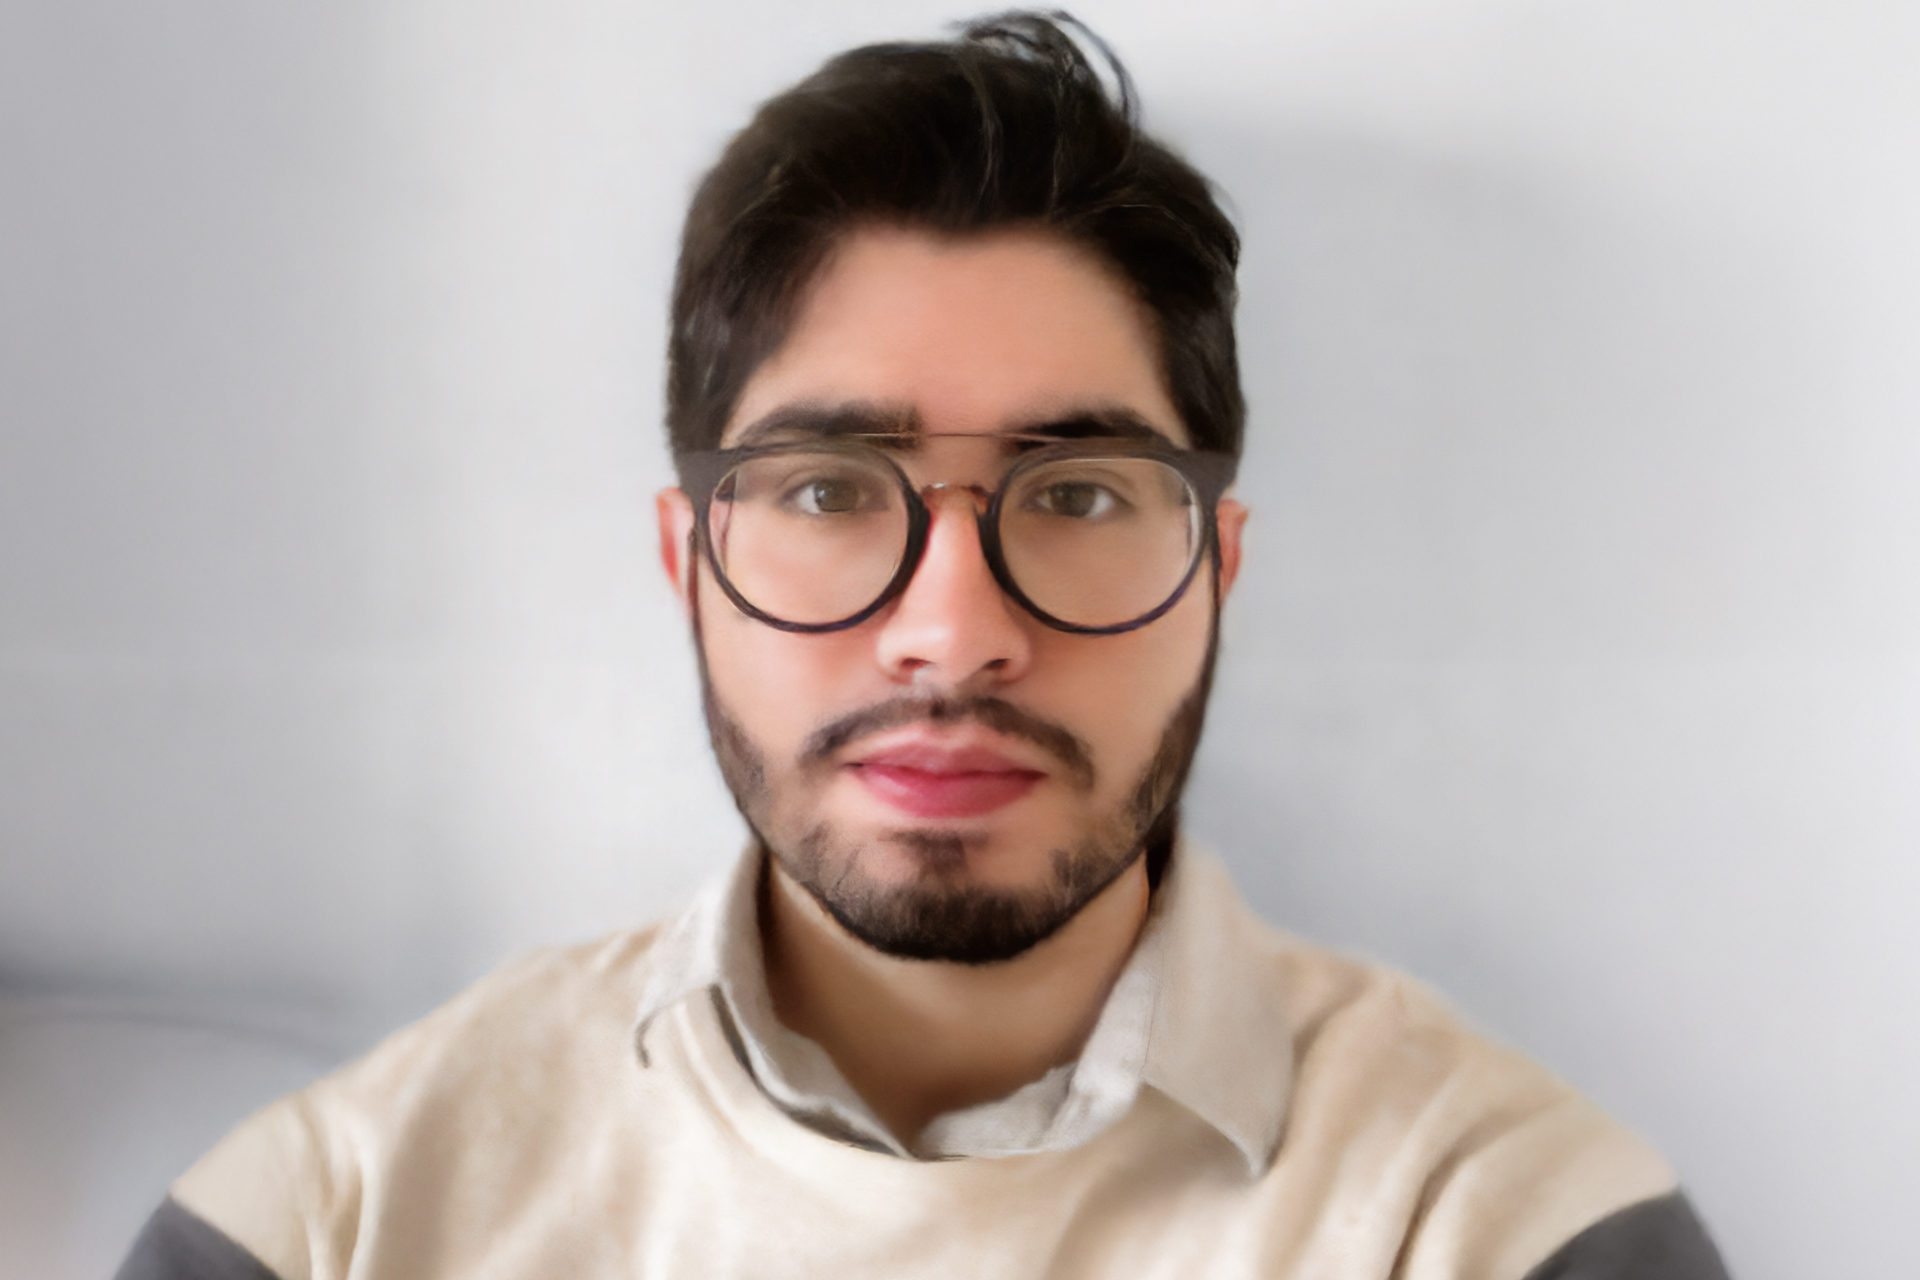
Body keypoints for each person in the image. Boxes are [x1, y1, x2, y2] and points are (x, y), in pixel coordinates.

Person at [118, 13, 1730, 1279]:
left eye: (1077, 494)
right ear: (687, 565)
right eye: (828, 489)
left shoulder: (1515, 1231)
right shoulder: (326, 1225)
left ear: (1216, 570)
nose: (953, 637)